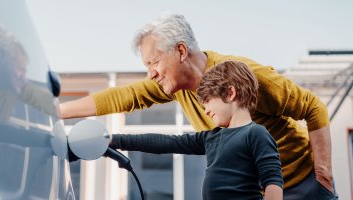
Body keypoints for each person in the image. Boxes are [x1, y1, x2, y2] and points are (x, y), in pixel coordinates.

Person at [60, 13, 336, 199]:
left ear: (180, 51)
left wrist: (323, 174)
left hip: (303, 184)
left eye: (154, 62)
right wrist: (57, 112)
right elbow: (123, 98)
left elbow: (313, 107)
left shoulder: (243, 77)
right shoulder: (176, 86)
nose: (151, 73)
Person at [110, 60, 283, 199]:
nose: (206, 110)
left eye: (208, 101)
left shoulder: (256, 134)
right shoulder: (212, 137)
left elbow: (273, 183)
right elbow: (167, 142)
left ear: (230, 93)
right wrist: (115, 140)